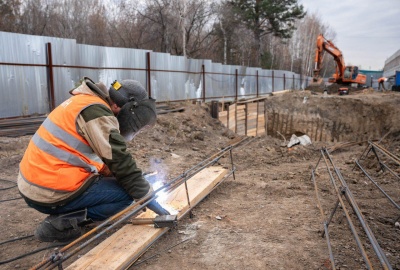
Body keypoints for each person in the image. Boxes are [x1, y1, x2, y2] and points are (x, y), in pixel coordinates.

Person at [17, 77, 169, 242]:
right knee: (126, 195)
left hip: (34, 182)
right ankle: (59, 225)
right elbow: (120, 160)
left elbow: (102, 158)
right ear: (118, 106)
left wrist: (126, 177)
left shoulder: (85, 102)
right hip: (48, 190)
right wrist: (147, 197)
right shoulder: (97, 114)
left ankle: (67, 216)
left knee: (125, 184)